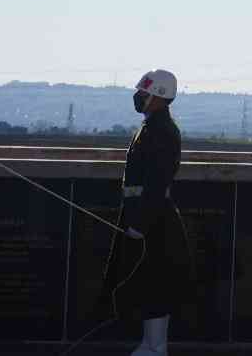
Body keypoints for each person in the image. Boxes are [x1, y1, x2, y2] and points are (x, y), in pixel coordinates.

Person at [100, 69, 190, 355]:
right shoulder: (152, 126)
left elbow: (156, 182)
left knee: (155, 281)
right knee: (147, 281)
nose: (139, 97)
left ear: (160, 98)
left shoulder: (161, 131)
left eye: (145, 93)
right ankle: (150, 345)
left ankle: (155, 347)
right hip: (145, 216)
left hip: (153, 220)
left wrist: (140, 223)